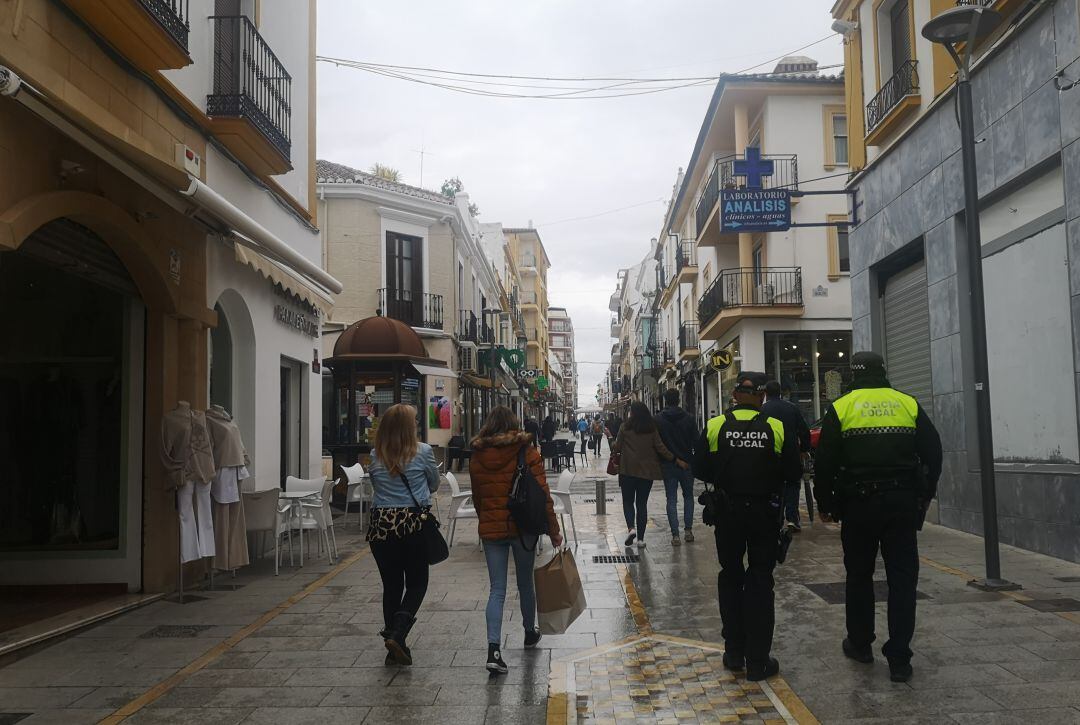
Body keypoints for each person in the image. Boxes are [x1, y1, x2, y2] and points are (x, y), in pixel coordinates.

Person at [814, 352, 942, 683]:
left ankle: (860, 644)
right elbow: (933, 451)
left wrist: (824, 502)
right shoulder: (906, 403)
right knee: (903, 578)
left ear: (852, 374)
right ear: (883, 371)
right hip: (901, 502)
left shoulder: (842, 407)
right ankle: (899, 657)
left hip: (858, 505)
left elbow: (825, 461)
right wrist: (925, 495)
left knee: (859, 575)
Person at [692, 372, 800, 682]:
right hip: (765, 514)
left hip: (727, 514)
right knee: (761, 579)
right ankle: (758, 661)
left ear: (735, 395)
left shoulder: (715, 426)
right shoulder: (776, 427)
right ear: (762, 397)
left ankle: (734, 652)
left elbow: (700, 468)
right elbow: (793, 471)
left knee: (730, 576)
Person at [469, 406, 563, 674]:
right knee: (525, 583)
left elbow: (478, 496)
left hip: (492, 529)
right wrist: (554, 530)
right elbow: (543, 496)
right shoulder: (527, 451)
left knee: (497, 589)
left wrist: (485, 518)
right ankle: (529, 631)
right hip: (523, 529)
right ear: (514, 424)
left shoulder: (477, 456)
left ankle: (494, 650)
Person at [366, 404, 440, 667]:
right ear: (410, 427)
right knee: (418, 583)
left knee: (392, 586)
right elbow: (434, 483)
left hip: (381, 527)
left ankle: (394, 647)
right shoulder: (424, 452)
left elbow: (375, 485)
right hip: (412, 525)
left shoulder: (375, 455)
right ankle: (398, 634)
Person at [613, 402, 677, 548]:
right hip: (647, 472)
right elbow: (660, 447)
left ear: (632, 413)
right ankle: (640, 539)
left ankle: (631, 529)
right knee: (642, 504)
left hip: (627, 471)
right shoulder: (651, 428)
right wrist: (674, 458)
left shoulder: (625, 427)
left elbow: (617, 447)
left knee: (628, 502)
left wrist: (612, 441)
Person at [761, 381, 812, 531]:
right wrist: (804, 449)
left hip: (771, 455)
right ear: (781, 392)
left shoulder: (762, 410)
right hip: (791, 453)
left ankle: (776, 517)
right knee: (792, 485)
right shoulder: (792, 408)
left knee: (773, 487)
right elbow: (804, 431)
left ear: (766, 394)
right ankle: (792, 518)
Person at [655, 388, 698, 546]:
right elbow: (696, 441)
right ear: (679, 399)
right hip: (687, 464)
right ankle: (688, 531)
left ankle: (675, 535)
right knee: (688, 497)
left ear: (665, 400)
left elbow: (657, 444)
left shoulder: (658, 420)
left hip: (668, 464)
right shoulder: (689, 418)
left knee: (671, 499)